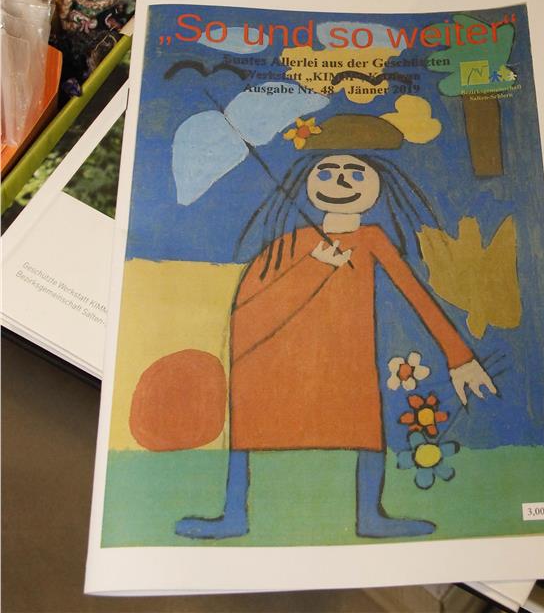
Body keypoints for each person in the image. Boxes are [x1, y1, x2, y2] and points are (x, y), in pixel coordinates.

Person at [176, 115, 496, 540]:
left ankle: (370, 516)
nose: (340, 181)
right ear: (307, 181)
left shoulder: (373, 240)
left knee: (365, 423)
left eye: (354, 173)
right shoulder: (292, 243)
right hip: (280, 362)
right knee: (251, 415)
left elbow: (417, 297)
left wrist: (460, 358)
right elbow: (252, 302)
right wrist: (314, 264)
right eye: (327, 171)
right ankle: (235, 513)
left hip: (347, 363)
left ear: (377, 184)